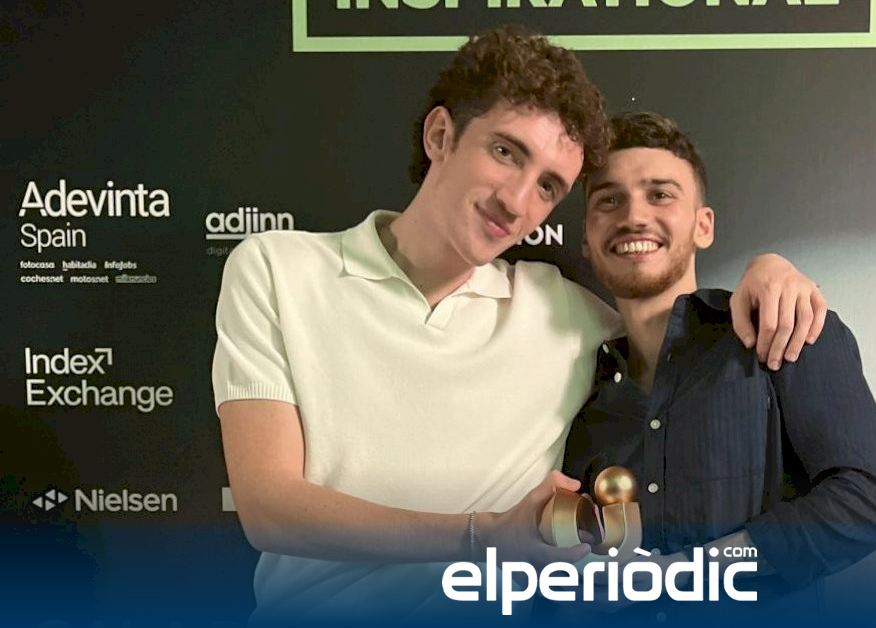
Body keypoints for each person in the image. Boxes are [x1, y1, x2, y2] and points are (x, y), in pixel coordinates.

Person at [212, 26, 828, 624]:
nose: (516, 202)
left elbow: (675, 327)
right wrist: (481, 537)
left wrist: (771, 271)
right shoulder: (277, 269)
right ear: (441, 135)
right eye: (506, 152)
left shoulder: (564, 314)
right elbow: (269, 509)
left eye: (549, 187)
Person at [561, 112, 876, 621]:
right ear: (587, 241)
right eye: (609, 200)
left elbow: (868, 503)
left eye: (660, 195)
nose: (633, 216)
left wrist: (688, 574)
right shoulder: (580, 394)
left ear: (703, 226)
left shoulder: (783, 325)